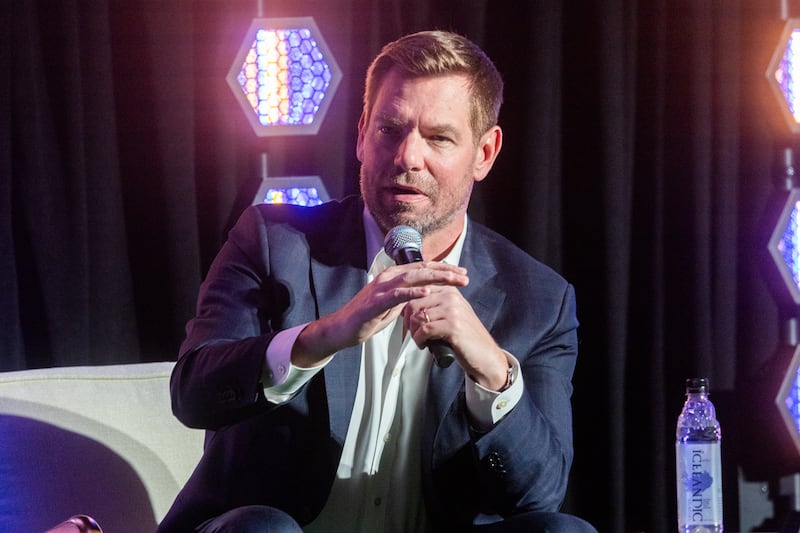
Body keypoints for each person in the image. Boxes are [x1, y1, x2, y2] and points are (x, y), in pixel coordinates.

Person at [158, 30, 596, 533]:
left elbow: (539, 494)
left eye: (439, 138)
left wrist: (492, 373)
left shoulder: (539, 300)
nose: (407, 157)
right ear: (362, 134)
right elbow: (192, 394)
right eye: (390, 129)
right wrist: (322, 337)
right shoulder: (273, 242)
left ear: (485, 152)